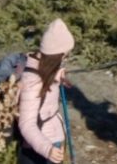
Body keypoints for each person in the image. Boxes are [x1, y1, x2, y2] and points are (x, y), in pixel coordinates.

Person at [18, 18, 75, 164]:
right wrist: (47, 149)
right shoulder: (32, 81)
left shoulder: (44, 67)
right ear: (55, 56)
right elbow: (26, 124)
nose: (66, 58)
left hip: (53, 138)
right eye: (64, 55)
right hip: (39, 148)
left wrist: (57, 78)